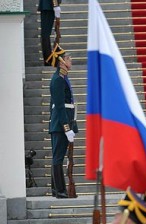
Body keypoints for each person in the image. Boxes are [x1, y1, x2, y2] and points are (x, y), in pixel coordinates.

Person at [47, 44, 78, 198]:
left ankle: (56, 190)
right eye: (67, 58)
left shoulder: (63, 77)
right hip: (60, 125)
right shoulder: (58, 80)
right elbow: (59, 106)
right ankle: (60, 191)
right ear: (61, 62)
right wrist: (67, 128)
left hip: (62, 123)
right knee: (58, 158)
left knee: (57, 157)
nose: (70, 60)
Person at [38, 0, 61, 65]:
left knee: (45, 33)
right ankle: (48, 59)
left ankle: (48, 59)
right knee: (45, 34)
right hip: (49, 6)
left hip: (47, 6)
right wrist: (56, 5)